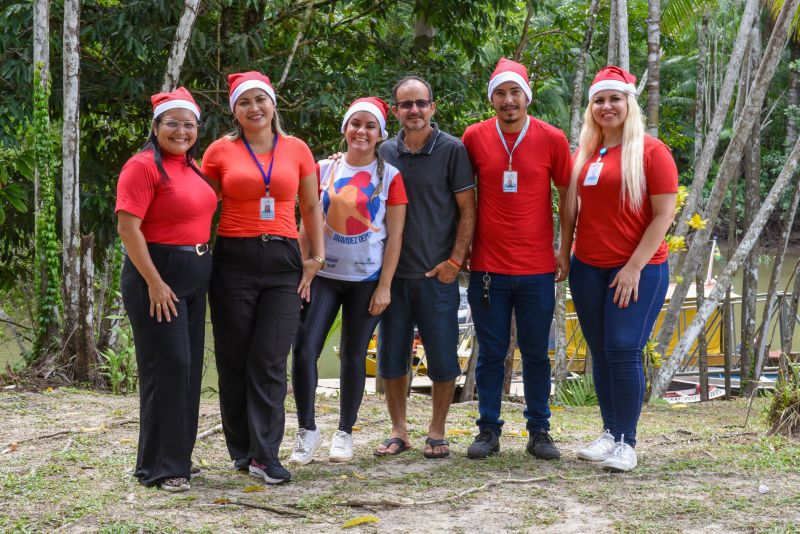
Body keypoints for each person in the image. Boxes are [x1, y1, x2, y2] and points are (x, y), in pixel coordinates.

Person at [201, 71, 325, 484]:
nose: (254, 108)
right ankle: (243, 448)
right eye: (244, 102)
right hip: (233, 256)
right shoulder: (219, 152)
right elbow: (202, 207)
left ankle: (266, 455)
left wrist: (316, 257)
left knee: (271, 359)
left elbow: (311, 208)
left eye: (260, 100)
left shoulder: (298, 149)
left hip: (283, 259)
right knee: (234, 358)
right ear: (234, 111)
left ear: (274, 104)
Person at [567, 66, 677, 472]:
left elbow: (663, 216)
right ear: (590, 107)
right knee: (601, 352)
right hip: (588, 269)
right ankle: (610, 432)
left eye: (614, 99)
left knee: (623, 349)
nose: (606, 106)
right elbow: (574, 214)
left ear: (629, 103)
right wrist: (567, 256)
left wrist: (632, 268)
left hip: (639, 270)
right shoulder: (585, 154)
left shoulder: (651, 151)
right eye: (599, 100)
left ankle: (628, 442)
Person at [462, 58, 572, 460]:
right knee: (491, 353)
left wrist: (565, 249)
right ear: (492, 97)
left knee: (534, 351)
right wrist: (462, 249)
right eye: (500, 93)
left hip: (538, 268)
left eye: (515, 93)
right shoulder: (474, 136)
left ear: (527, 96)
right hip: (488, 267)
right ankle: (488, 429)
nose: (508, 101)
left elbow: (567, 194)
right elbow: (462, 197)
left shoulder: (551, 138)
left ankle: (539, 430)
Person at [289, 97, 407, 464]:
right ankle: (307, 430)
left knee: (353, 355)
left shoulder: (390, 176)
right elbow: (306, 224)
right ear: (345, 129)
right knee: (305, 348)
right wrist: (303, 267)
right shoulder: (322, 169)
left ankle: (345, 431)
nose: (362, 131)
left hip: (366, 279)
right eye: (355, 124)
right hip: (322, 275)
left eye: (370, 126)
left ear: (380, 135)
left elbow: (395, 236)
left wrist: (385, 285)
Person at [116, 87, 217, 492]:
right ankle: (161, 467)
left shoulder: (192, 167)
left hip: (195, 272)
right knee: (167, 368)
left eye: (188, 125)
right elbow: (128, 227)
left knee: (188, 370)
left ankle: (177, 458)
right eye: (172, 123)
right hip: (158, 274)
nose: (181, 131)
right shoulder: (142, 167)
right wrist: (154, 282)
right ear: (156, 126)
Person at [372, 76, 475, 459]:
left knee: (444, 357)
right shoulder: (383, 151)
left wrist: (454, 262)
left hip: (437, 276)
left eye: (421, 103)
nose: (413, 110)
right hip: (391, 278)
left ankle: (436, 430)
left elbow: (468, 211)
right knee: (391, 358)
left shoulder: (452, 150)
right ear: (394, 110)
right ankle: (399, 430)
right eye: (405, 104)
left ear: (432, 107)